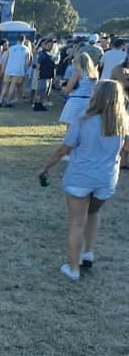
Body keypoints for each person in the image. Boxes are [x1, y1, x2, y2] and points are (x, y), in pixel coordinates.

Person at [39, 80, 127, 280]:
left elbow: (64, 149)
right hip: (106, 179)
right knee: (94, 213)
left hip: (80, 177)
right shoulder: (123, 123)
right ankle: (88, 253)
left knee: (77, 223)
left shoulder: (82, 121)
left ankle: (73, 268)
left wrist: (46, 167)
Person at [59, 52, 99, 133]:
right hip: (89, 101)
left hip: (76, 101)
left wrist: (62, 86)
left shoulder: (78, 72)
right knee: (86, 127)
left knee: (71, 128)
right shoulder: (95, 73)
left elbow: (67, 90)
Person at [0, 37, 31, 107]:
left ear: (17, 40)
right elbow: (27, 62)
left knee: (5, 85)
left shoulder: (11, 48)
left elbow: (5, 59)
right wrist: (24, 70)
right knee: (13, 85)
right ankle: (8, 101)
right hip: (18, 70)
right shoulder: (26, 49)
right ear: (24, 40)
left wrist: (3, 70)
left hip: (8, 69)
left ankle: (0, 100)